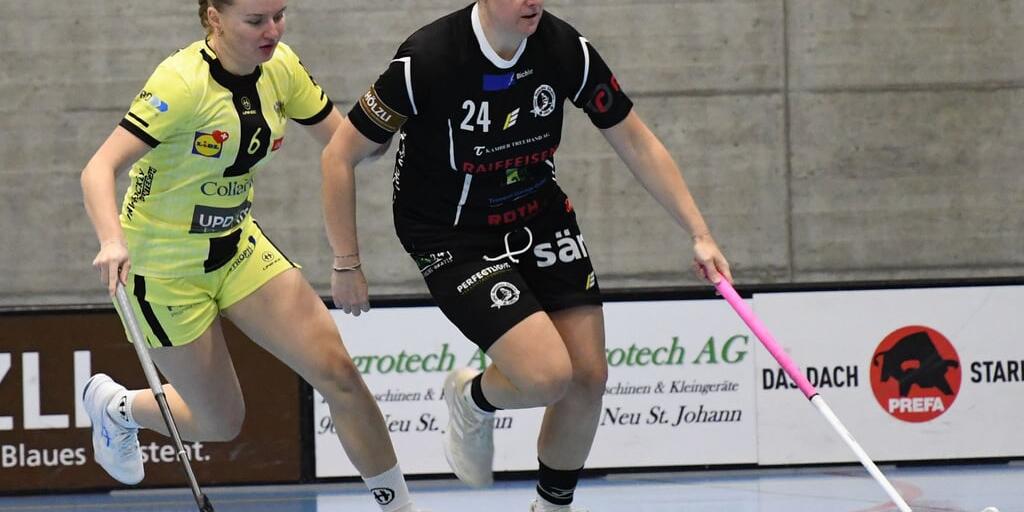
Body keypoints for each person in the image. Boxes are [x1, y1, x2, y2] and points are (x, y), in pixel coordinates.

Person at [321, 0, 732, 511]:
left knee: (588, 379)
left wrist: (699, 233)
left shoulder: (564, 48)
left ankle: (552, 507)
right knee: (547, 376)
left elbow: (635, 139)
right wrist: (347, 262)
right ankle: (470, 399)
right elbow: (339, 155)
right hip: (451, 235)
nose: (532, 1)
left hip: (538, 216)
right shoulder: (427, 59)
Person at [79, 1, 423, 510]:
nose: (273, 31)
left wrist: (395, 113)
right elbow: (98, 168)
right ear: (215, 18)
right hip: (163, 268)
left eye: (279, 15)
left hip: (237, 245)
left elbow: (345, 145)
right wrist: (111, 240)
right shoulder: (181, 83)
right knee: (221, 422)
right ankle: (119, 408)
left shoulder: (281, 67)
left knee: (340, 375)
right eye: (256, 21)